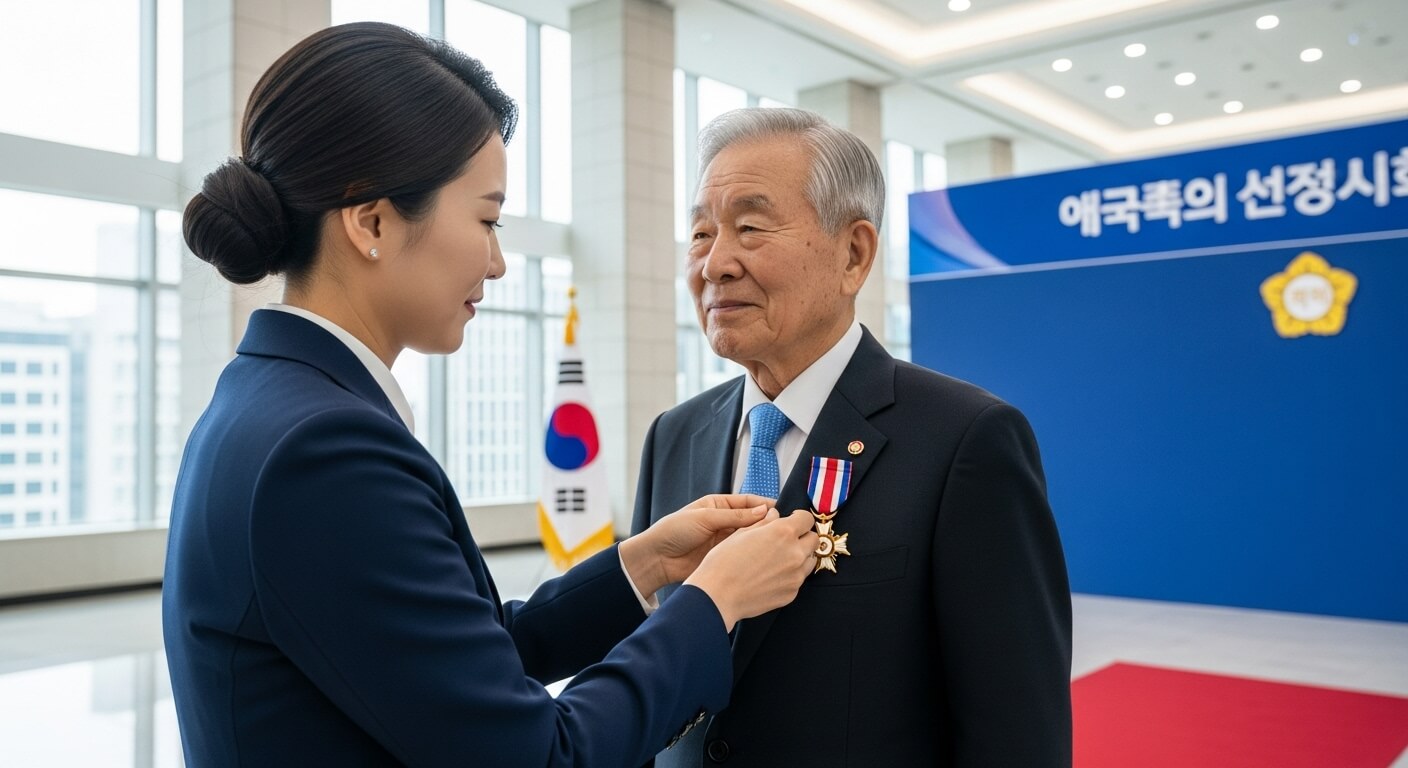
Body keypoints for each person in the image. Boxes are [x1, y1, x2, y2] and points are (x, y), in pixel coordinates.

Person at [162, 24, 819, 768]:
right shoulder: (326, 452)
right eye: (486, 219)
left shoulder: (268, 400)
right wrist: (714, 600)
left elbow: (447, 663)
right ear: (371, 221)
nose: (500, 263)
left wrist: (641, 566)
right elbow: (539, 755)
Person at [632, 107, 1073, 767]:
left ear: (853, 253)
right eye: (700, 233)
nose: (715, 262)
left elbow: (1016, 730)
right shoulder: (676, 433)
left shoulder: (964, 441)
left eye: (750, 227)